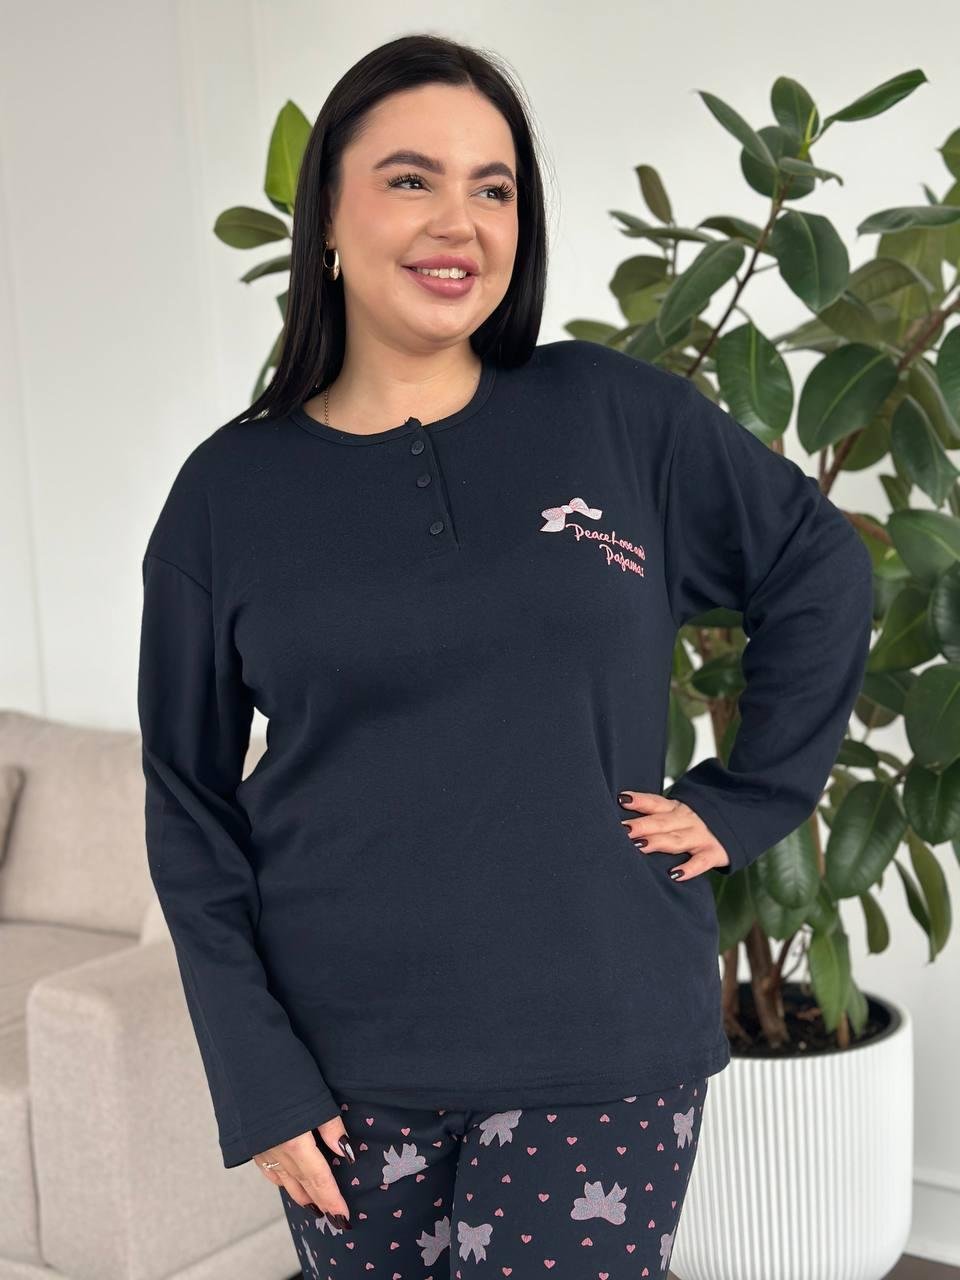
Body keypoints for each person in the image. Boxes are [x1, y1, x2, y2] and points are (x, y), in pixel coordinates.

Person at [136, 32, 874, 1280]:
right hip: (341, 1066)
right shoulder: (227, 493)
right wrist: (254, 1069)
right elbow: (187, 799)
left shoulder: (611, 414)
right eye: (411, 178)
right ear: (328, 213)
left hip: (601, 1037)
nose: (461, 221)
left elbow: (819, 565)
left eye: (495, 187)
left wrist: (751, 795)